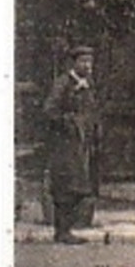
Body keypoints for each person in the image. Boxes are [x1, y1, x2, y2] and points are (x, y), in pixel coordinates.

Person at [43, 44, 100, 244]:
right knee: (66, 188)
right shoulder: (63, 83)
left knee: (81, 187)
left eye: (90, 62)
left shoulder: (88, 84)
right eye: (83, 61)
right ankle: (62, 231)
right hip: (65, 144)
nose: (87, 65)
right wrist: (70, 122)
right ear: (74, 63)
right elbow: (50, 110)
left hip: (82, 143)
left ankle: (66, 230)